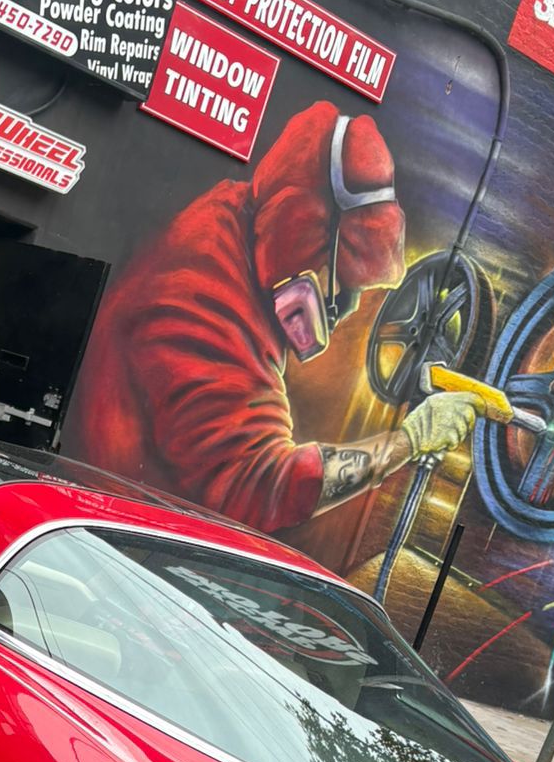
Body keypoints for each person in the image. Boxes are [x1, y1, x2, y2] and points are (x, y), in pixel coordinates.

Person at [63, 101, 481, 531]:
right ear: (300, 233)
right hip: (109, 535)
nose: (348, 305)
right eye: (346, 280)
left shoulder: (234, 226)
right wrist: (406, 442)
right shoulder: (199, 298)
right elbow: (259, 483)